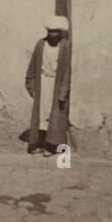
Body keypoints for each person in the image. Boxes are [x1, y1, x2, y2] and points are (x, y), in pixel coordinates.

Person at [25, 16, 71, 155]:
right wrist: (31, 86)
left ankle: (51, 146)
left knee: (55, 115)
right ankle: (39, 143)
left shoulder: (65, 46)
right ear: (47, 31)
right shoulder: (40, 45)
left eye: (56, 31)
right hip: (42, 83)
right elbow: (32, 66)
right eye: (51, 31)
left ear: (60, 32)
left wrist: (63, 91)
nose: (54, 34)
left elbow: (67, 71)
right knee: (41, 114)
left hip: (56, 84)